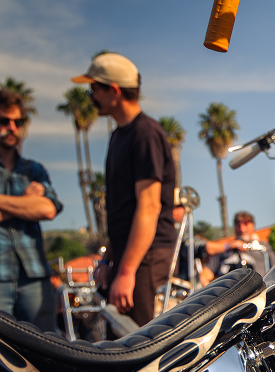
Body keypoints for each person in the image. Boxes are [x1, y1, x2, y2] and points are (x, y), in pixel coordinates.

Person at [73, 53, 177, 326]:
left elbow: (149, 206)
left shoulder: (145, 134)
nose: (90, 96)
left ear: (115, 91)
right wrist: (110, 261)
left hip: (146, 255)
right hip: (128, 255)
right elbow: (123, 211)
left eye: (94, 89)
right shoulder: (119, 134)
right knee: (119, 341)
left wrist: (128, 271)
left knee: (141, 343)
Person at [0, 90, 62, 331]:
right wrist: (25, 202)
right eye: (4, 121)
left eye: (18, 122)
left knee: (43, 350)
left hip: (35, 276)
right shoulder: (31, 182)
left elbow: (47, 209)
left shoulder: (34, 170)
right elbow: (37, 208)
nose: (12, 128)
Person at [208, 211, 275, 278]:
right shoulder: (225, 248)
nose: (242, 229)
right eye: (238, 225)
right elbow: (206, 274)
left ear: (253, 226)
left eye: (246, 224)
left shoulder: (264, 248)